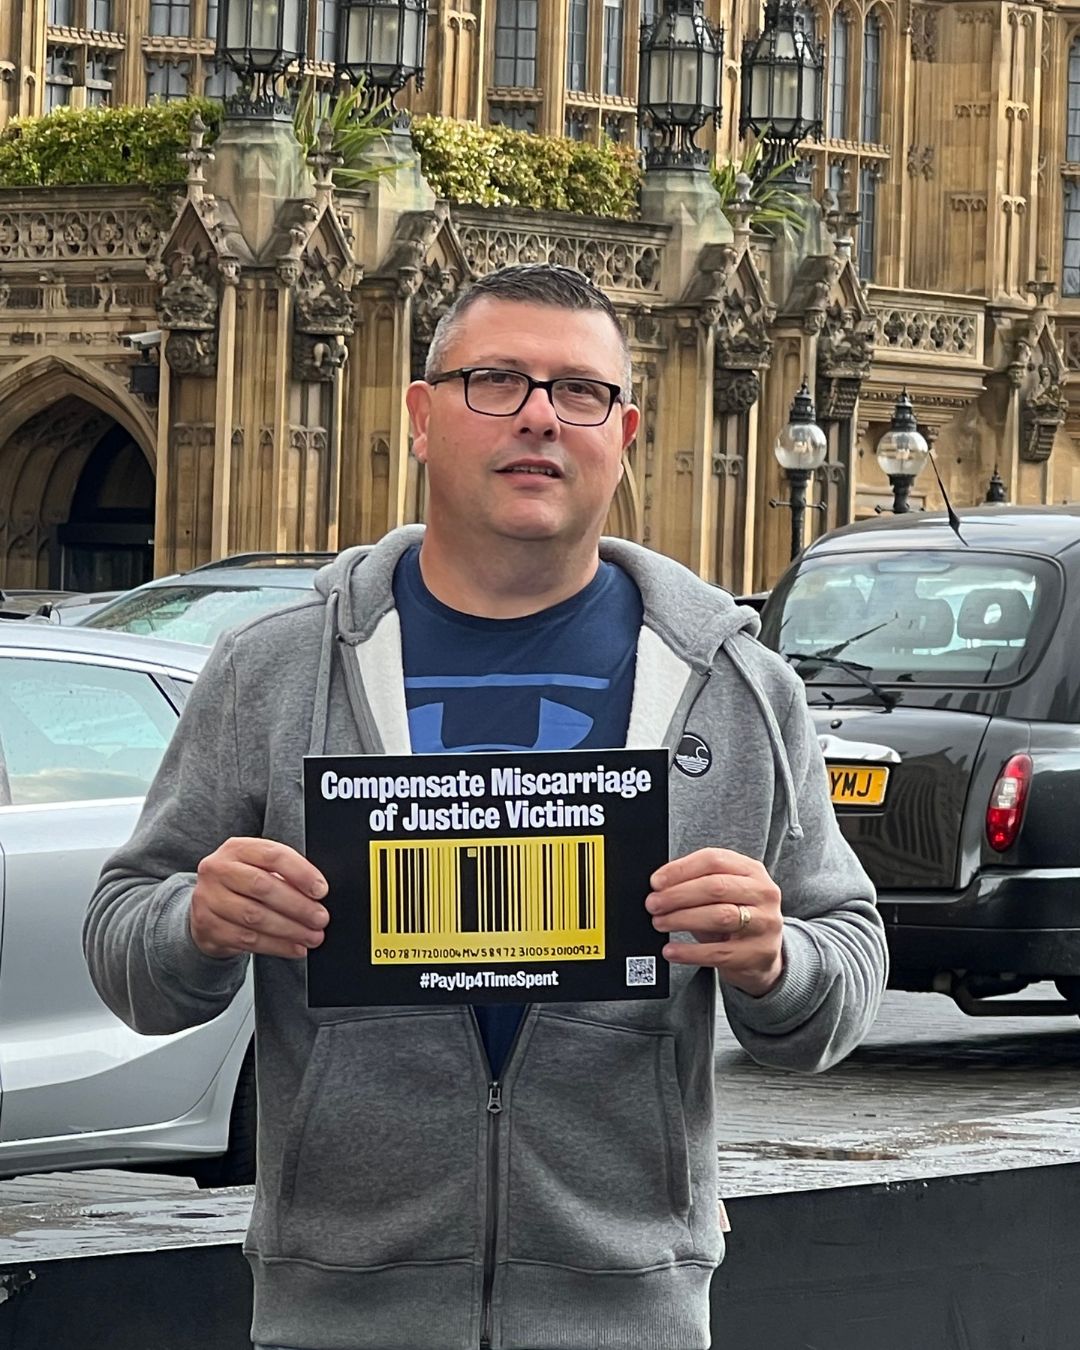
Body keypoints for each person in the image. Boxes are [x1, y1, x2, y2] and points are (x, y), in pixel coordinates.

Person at [84, 262, 887, 1350]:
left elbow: (847, 961)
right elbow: (125, 948)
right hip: (339, 1311)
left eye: (581, 391)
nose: (541, 417)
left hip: (628, 1310)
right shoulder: (271, 669)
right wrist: (195, 920)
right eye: (497, 381)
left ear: (625, 434)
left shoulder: (738, 686)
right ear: (422, 417)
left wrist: (777, 960)